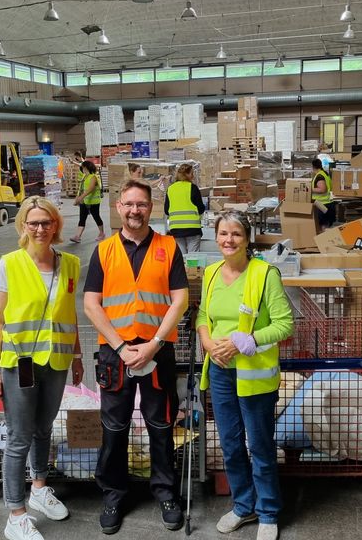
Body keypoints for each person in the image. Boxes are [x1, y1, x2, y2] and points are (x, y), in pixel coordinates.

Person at [83, 179, 189, 535]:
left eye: (141, 204)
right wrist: (119, 347)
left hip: (158, 350)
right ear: (118, 208)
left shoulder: (169, 247)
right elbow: (91, 303)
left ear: (151, 207)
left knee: (161, 425)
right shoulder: (103, 251)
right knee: (114, 428)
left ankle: (165, 493)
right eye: (129, 204)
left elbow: (180, 299)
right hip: (116, 354)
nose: (135, 211)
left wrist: (154, 343)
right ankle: (113, 493)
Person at [0, 196, 84, 540]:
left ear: (56, 225)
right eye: (33, 223)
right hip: (19, 364)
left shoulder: (70, 264)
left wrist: (77, 356)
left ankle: (39, 488)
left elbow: (70, 314)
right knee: (19, 437)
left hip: (55, 363)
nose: (40, 229)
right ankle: (15, 513)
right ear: (23, 226)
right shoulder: (9, 264)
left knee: (43, 429)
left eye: (47, 222)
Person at [195, 211, 293, 540]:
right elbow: (204, 315)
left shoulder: (265, 274)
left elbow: (285, 324)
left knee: (260, 446)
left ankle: (268, 511)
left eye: (236, 234)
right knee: (230, 444)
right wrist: (208, 342)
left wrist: (247, 340)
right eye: (223, 233)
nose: (228, 240)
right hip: (221, 373)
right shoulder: (210, 273)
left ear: (247, 238)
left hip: (254, 376)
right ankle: (243, 505)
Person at [164, 163, 206, 254]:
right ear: (186, 174)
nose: (193, 176)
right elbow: (201, 208)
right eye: (191, 173)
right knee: (193, 258)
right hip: (192, 229)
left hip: (176, 229)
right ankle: (192, 269)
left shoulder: (170, 189)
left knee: (181, 257)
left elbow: (166, 210)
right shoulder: (193, 188)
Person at [71, 160, 104, 243]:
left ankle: (102, 233)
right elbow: (81, 189)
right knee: (82, 218)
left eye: (84, 168)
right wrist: (77, 198)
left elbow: (91, 189)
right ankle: (77, 236)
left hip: (93, 202)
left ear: (88, 168)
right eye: (82, 168)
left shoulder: (93, 177)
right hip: (84, 202)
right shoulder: (84, 177)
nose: (83, 170)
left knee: (96, 217)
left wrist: (81, 197)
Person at [311, 158, 336, 230]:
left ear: (313, 167)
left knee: (323, 228)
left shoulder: (319, 176)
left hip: (322, 205)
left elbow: (323, 189)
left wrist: (310, 189)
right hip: (329, 203)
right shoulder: (325, 173)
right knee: (326, 228)